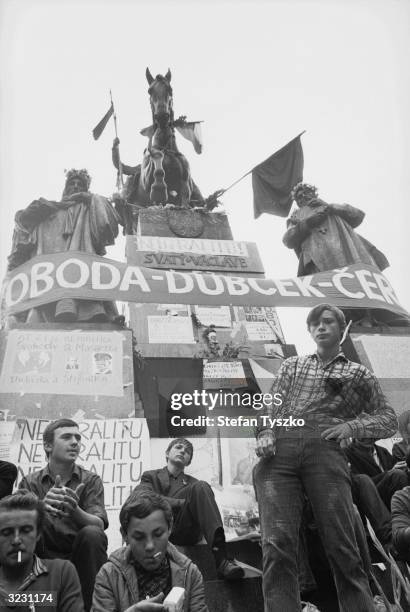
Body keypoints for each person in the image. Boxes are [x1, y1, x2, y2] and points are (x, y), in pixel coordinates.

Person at [253, 303, 397, 611]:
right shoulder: (292, 365)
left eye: (328, 321)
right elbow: (271, 402)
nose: (320, 327)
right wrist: (265, 432)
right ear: (309, 331)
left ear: (341, 328)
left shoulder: (359, 373)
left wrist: (351, 425)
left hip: (325, 450)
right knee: (277, 546)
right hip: (282, 448)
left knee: (343, 544)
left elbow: (388, 419)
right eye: (314, 323)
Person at [7, 168, 123, 323]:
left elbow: (107, 227)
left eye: (80, 184)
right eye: (72, 183)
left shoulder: (88, 207)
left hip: (82, 268)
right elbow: (23, 223)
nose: (75, 186)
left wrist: (87, 197)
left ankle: (93, 310)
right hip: (49, 273)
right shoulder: (49, 209)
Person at [18, 419, 108, 611]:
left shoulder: (91, 480)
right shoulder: (29, 482)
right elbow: (16, 524)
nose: (75, 442)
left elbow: (99, 524)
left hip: (80, 555)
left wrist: (74, 510)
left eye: (78, 437)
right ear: (48, 446)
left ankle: (92, 607)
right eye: (67, 437)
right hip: (43, 554)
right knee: (24, 536)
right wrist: (40, 507)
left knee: (93, 534)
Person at [136, 438, 244, 581]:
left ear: (188, 462)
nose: (182, 451)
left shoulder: (195, 485)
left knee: (202, 486)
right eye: (179, 447)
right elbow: (143, 498)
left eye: (187, 452)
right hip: (158, 529)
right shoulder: (150, 476)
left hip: (184, 530)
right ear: (167, 453)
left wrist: (179, 503)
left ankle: (222, 559)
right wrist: (182, 503)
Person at [92, 490, 208, 612]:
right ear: (125, 535)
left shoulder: (190, 574)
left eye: (158, 534)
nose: (150, 546)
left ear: (170, 528)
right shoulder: (109, 576)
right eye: (139, 537)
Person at [0, 491, 84, 611]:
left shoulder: (61, 573)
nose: (16, 540)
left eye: (25, 530)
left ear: (38, 533)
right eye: (7, 532)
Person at [283, 182, 389, 277]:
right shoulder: (295, 217)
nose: (304, 196)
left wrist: (329, 206)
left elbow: (358, 215)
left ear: (314, 194)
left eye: (306, 192)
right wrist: (308, 223)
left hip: (346, 252)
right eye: (299, 197)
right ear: (297, 202)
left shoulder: (331, 207)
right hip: (317, 258)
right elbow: (288, 240)